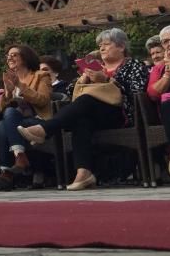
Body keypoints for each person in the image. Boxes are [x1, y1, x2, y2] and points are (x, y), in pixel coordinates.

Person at [19, 28, 148, 190]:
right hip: (92, 115)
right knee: (81, 119)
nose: (102, 48)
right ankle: (84, 173)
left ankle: (46, 129)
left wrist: (108, 79)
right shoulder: (95, 67)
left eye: (107, 44)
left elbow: (138, 91)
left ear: (121, 47)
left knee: (86, 100)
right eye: (100, 45)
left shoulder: (133, 65)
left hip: (120, 115)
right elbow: (68, 93)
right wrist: (83, 79)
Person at [0, 45, 53, 190]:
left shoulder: (41, 75)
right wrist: (8, 93)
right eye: (8, 56)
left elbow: (43, 100)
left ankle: (7, 172)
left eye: (14, 55)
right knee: (4, 121)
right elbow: (1, 109)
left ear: (25, 57)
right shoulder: (10, 80)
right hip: (17, 122)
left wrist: (20, 85)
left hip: (38, 120)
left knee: (6, 120)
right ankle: (19, 156)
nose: (9, 58)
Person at [147, 24, 170, 178]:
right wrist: (168, 74)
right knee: (168, 101)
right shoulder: (158, 68)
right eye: (166, 41)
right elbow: (153, 94)